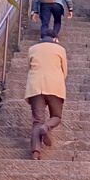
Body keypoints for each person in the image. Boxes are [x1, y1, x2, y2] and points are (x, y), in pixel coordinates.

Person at [25, 30, 67, 160]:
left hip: (35, 87)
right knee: (56, 116)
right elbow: (64, 71)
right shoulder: (60, 49)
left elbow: (29, 68)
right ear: (54, 38)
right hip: (54, 86)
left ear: (41, 38)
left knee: (37, 121)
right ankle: (46, 127)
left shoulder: (32, 49)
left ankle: (35, 152)